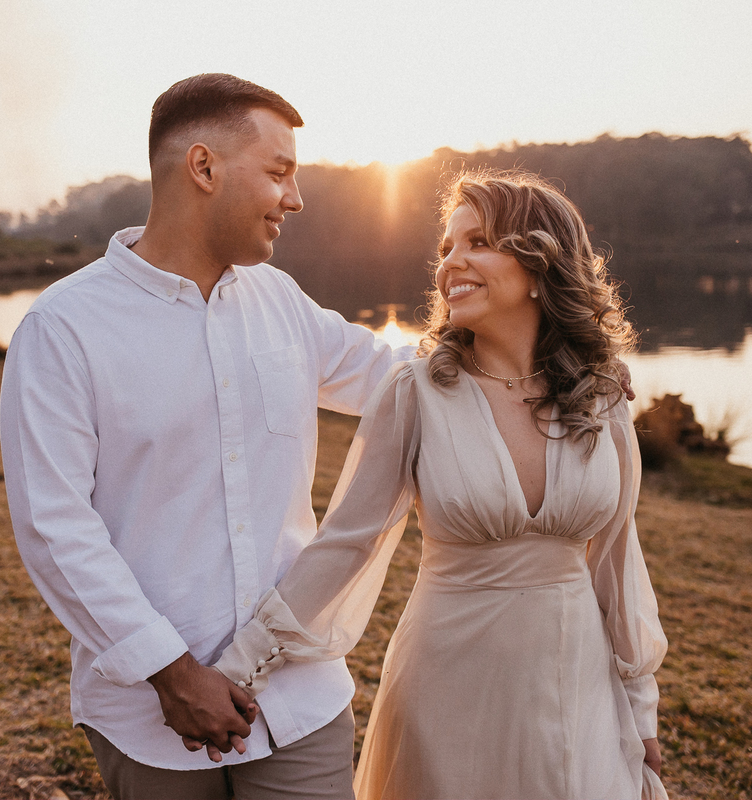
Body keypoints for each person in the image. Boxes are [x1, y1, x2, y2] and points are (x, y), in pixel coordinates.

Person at [0, 74, 415, 799]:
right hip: (149, 719)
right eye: (280, 172)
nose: (296, 197)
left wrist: (554, 358)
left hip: (300, 698)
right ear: (203, 167)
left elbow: (401, 377)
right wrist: (172, 671)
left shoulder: (280, 301)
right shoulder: (63, 329)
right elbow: (54, 525)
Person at [213, 171, 669, 799]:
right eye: (445, 247)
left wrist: (640, 706)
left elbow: (618, 563)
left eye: (478, 241)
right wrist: (241, 663)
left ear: (540, 266)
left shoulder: (600, 399)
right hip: (446, 685)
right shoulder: (416, 393)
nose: (451, 261)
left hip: (576, 684)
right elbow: (346, 543)